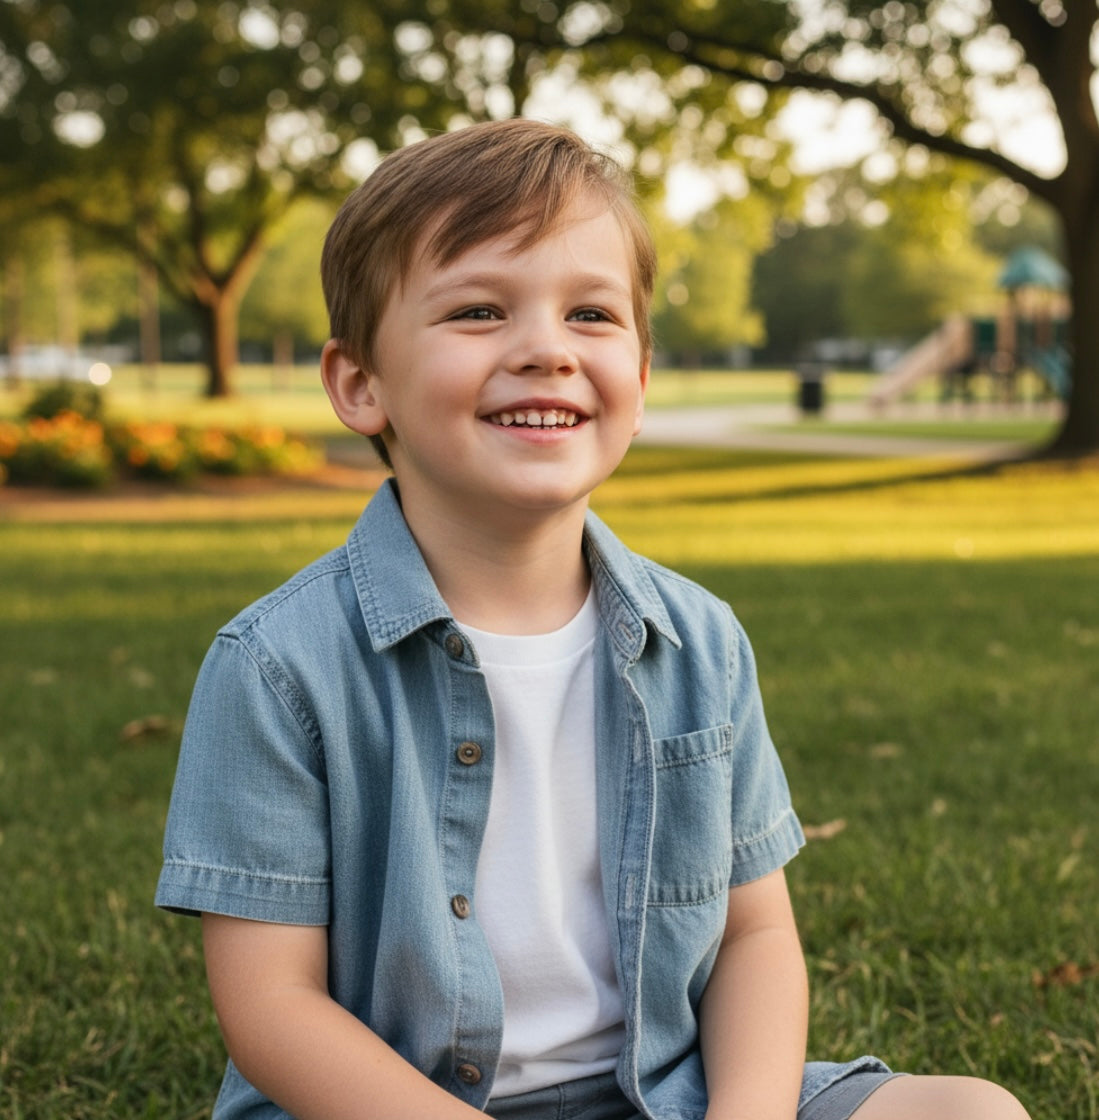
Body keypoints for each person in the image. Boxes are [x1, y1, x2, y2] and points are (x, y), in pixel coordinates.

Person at [156, 119, 1029, 1120]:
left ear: (642, 379)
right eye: (479, 310)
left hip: (659, 1094)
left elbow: (754, 937)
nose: (544, 350)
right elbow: (272, 1008)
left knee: (972, 1111)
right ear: (361, 384)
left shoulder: (701, 643)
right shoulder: (277, 665)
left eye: (591, 315)